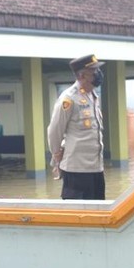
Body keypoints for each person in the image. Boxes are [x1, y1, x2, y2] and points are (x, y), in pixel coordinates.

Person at [47, 54, 106, 200]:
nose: (98, 74)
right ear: (82, 76)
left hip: (96, 167)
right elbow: (54, 130)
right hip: (77, 169)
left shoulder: (93, 96)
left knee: (99, 212)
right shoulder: (69, 98)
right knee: (79, 213)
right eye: (93, 72)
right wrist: (56, 156)